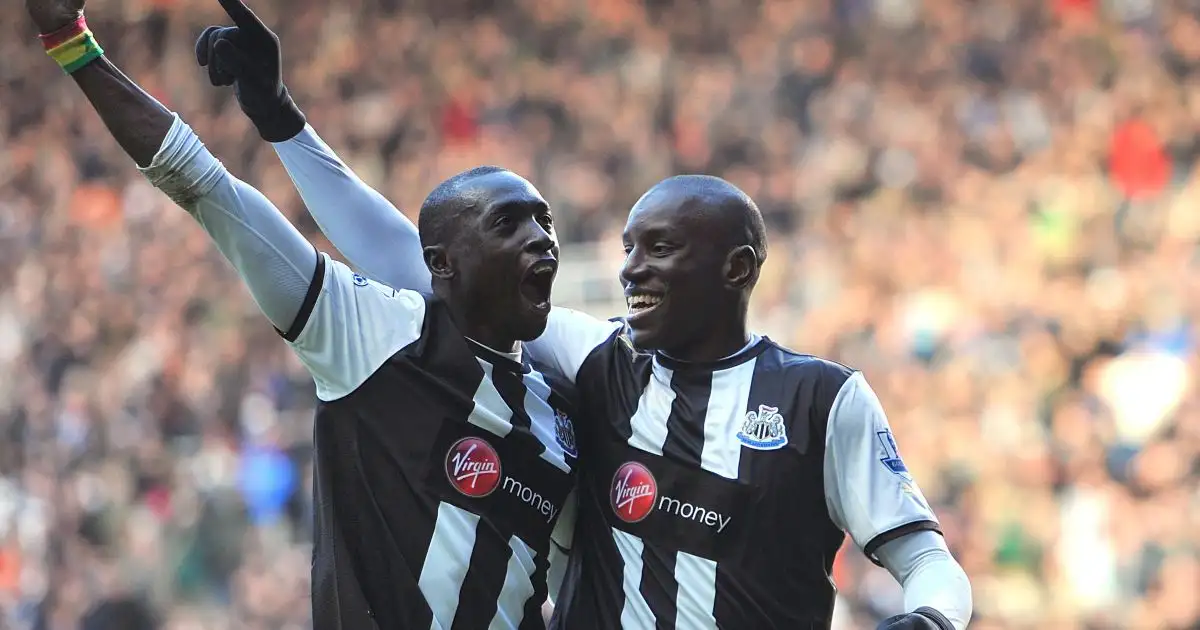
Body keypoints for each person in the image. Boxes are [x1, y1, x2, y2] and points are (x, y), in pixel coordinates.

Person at [196, 10, 974, 630]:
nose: (630, 269)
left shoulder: (822, 401)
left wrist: (931, 619)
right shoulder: (596, 359)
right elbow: (413, 259)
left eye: (660, 249)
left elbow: (924, 557)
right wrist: (279, 119)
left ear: (737, 268)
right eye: (629, 249)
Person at [22, 0, 581, 627]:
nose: (541, 237)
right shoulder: (376, 339)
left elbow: (578, 584)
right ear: (443, 264)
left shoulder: (561, 413)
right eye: (508, 222)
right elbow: (208, 189)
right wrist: (73, 45)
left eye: (546, 220)